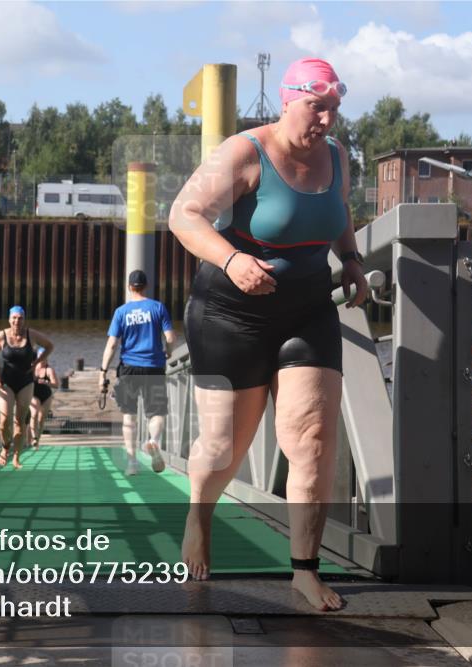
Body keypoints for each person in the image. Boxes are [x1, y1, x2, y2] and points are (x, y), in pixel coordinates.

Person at [168, 57, 367, 612]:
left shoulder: (337, 156)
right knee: (223, 447)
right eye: (316, 107)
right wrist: (233, 260)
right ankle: (199, 514)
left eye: (334, 109)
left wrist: (351, 259)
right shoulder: (245, 152)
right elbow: (184, 214)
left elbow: (338, 210)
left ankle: (304, 569)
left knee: (312, 440)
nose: (326, 120)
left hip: (307, 310)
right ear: (287, 100)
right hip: (232, 312)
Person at [99, 270, 177, 476]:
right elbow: (170, 338)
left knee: (129, 416)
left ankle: (132, 463)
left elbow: (112, 344)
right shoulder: (158, 307)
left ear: (129, 287)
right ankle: (154, 441)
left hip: (129, 367)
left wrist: (103, 371)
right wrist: (168, 352)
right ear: (146, 286)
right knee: (157, 413)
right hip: (154, 366)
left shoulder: (121, 312)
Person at [0, 307, 53, 469]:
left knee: (20, 421)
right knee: (4, 421)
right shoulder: (1, 335)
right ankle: (5, 447)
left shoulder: (31, 335)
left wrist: (37, 362)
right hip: (7, 382)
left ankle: (16, 456)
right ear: (9, 319)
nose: (17, 321)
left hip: (26, 382)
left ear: (24, 320)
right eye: (14, 318)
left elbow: (49, 346)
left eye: (20, 318)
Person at [28, 352, 58, 449]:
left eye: (45, 357)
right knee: (34, 413)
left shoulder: (49, 370)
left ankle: (37, 440)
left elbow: (56, 385)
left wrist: (46, 382)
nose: (43, 360)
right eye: (41, 357)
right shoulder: (32, 368)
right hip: (34, 394)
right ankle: (34, 437)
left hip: (46, 396)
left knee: (41, 420)